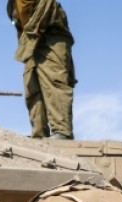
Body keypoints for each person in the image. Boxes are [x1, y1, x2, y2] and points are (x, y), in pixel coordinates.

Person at [7, 0, 77, 139]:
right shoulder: (12, 5)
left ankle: (62, 131)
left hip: (51, 39)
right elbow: (19, 27)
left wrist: (26, 41)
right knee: (32, 87)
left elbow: (43, 13)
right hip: (30, 44)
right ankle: (39, 133)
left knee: (54, 82)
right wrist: (23, 45)